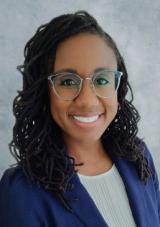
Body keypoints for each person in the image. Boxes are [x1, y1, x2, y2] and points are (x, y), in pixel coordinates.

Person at [0, 10, 159, 227]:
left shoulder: (138, 159)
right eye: (67, 82)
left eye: (102, 79)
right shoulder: (21, 191)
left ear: (117, 88)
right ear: (43, 92)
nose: (87, 101)